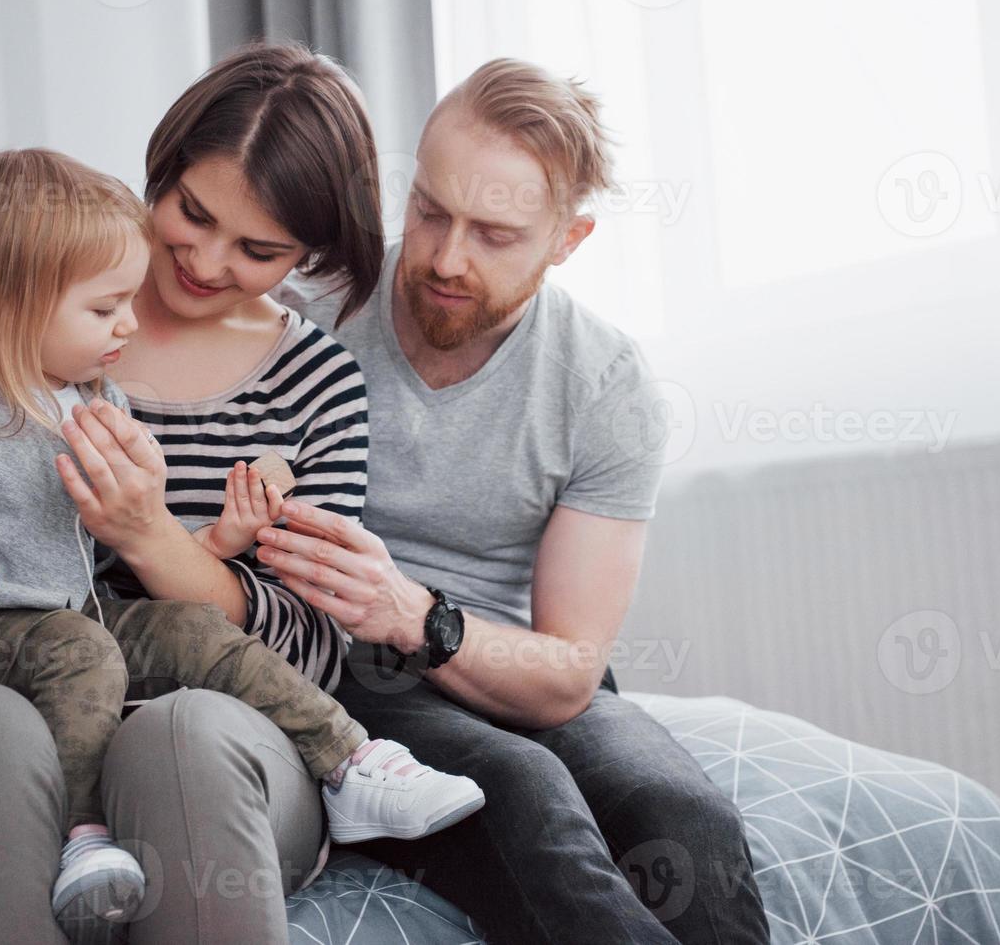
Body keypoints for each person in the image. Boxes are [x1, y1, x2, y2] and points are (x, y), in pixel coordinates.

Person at [0, 43, 418, 945]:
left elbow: (316, 647)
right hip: (1, 719)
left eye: (257, 249)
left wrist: (149, 537)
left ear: (309, 253)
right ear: (159, 169)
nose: (203, 260)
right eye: (191, 212)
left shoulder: (317, 387)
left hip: (222, 752)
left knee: (182, 738)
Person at [257, 59, 772, 943]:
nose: (445, 258)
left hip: (505, 663)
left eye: (494, 234)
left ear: (568, 240)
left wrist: (415, 613)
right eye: (428, 212)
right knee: (529, 800)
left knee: (685, 819)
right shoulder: (300, 319)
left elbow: (568, 670)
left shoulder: (602, 383)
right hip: (348, 672)